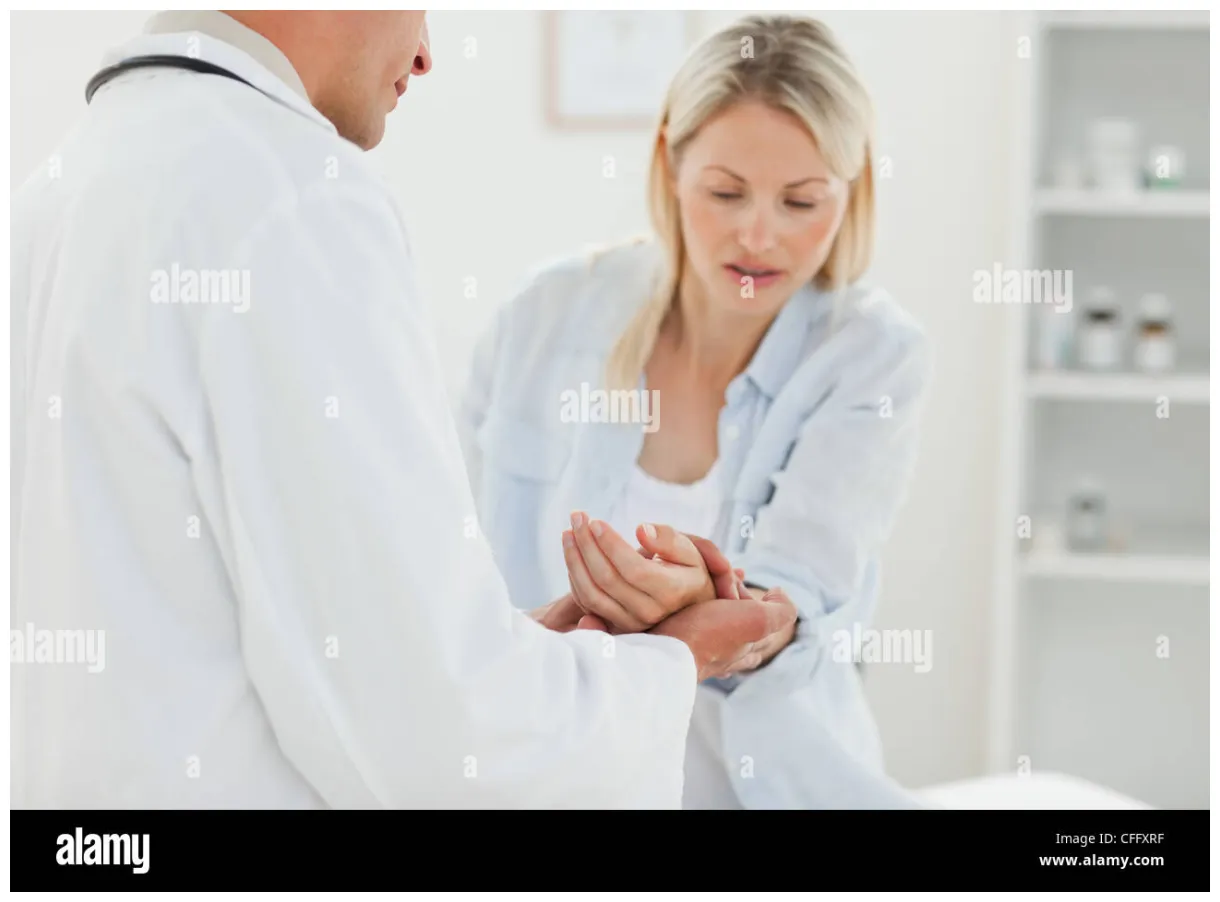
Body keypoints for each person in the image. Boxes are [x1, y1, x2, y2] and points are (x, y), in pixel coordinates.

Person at [11, 10, 795, 809]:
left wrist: (517, 652)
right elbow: (443, 743)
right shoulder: (293, 197)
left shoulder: (60, 187)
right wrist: (673, 662)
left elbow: (258, 642)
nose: (424, 55)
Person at [459, 14, 932, 808]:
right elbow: (451, 556)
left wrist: (709, 610)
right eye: (725, 192)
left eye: (801, 201)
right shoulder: (545, 315)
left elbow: (797, 592)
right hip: (553, 784)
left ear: (852, 193)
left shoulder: (873, 356)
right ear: (669, 166)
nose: (758, 234)